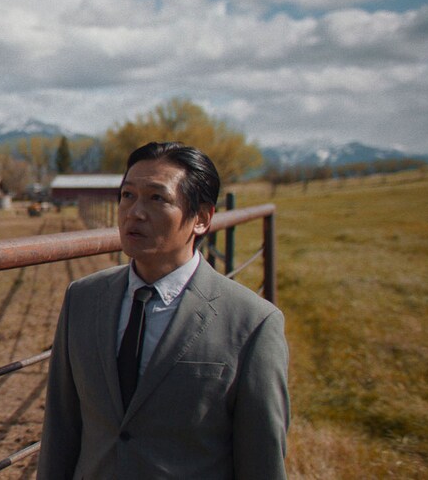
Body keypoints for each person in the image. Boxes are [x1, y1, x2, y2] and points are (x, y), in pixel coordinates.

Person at [38, 142, 289, 479]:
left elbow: (263, 462)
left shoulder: (252, 323)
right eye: (127, 195)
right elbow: (61, 429)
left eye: (157, 198)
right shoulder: (83, 299)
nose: (134, 212)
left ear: (201, 218)